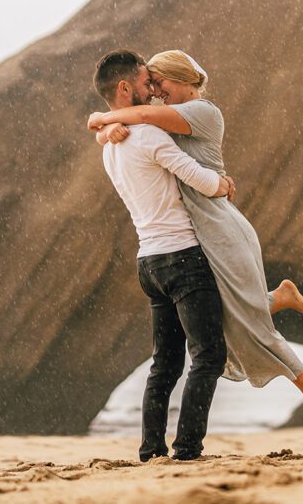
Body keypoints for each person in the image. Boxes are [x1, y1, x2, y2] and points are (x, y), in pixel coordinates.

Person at [88, 49, 303, 430]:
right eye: (149, 84)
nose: (155, 91)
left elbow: (144, 118)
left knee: (243, 319)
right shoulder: (164, 121)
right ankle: (277, 298)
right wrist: (104, 129)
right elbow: (140, 131)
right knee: (229, 315)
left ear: (181, 79)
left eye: (159, 82)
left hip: (218, 224)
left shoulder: (202, 113)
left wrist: (102, 118)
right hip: (197, 230)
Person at [92, 49, 235, 462]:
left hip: (149, 262)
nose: (151, 93)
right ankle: (188, 449)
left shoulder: (110, 146)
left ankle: (151, 449)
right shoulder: (148, 135)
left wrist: (104, 126)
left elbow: (124, 132)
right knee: (208, 356)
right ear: (124, 87)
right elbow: (197, 179)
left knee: (164, 364)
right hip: (182, 257)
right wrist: (223, 184)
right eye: (143, 83)